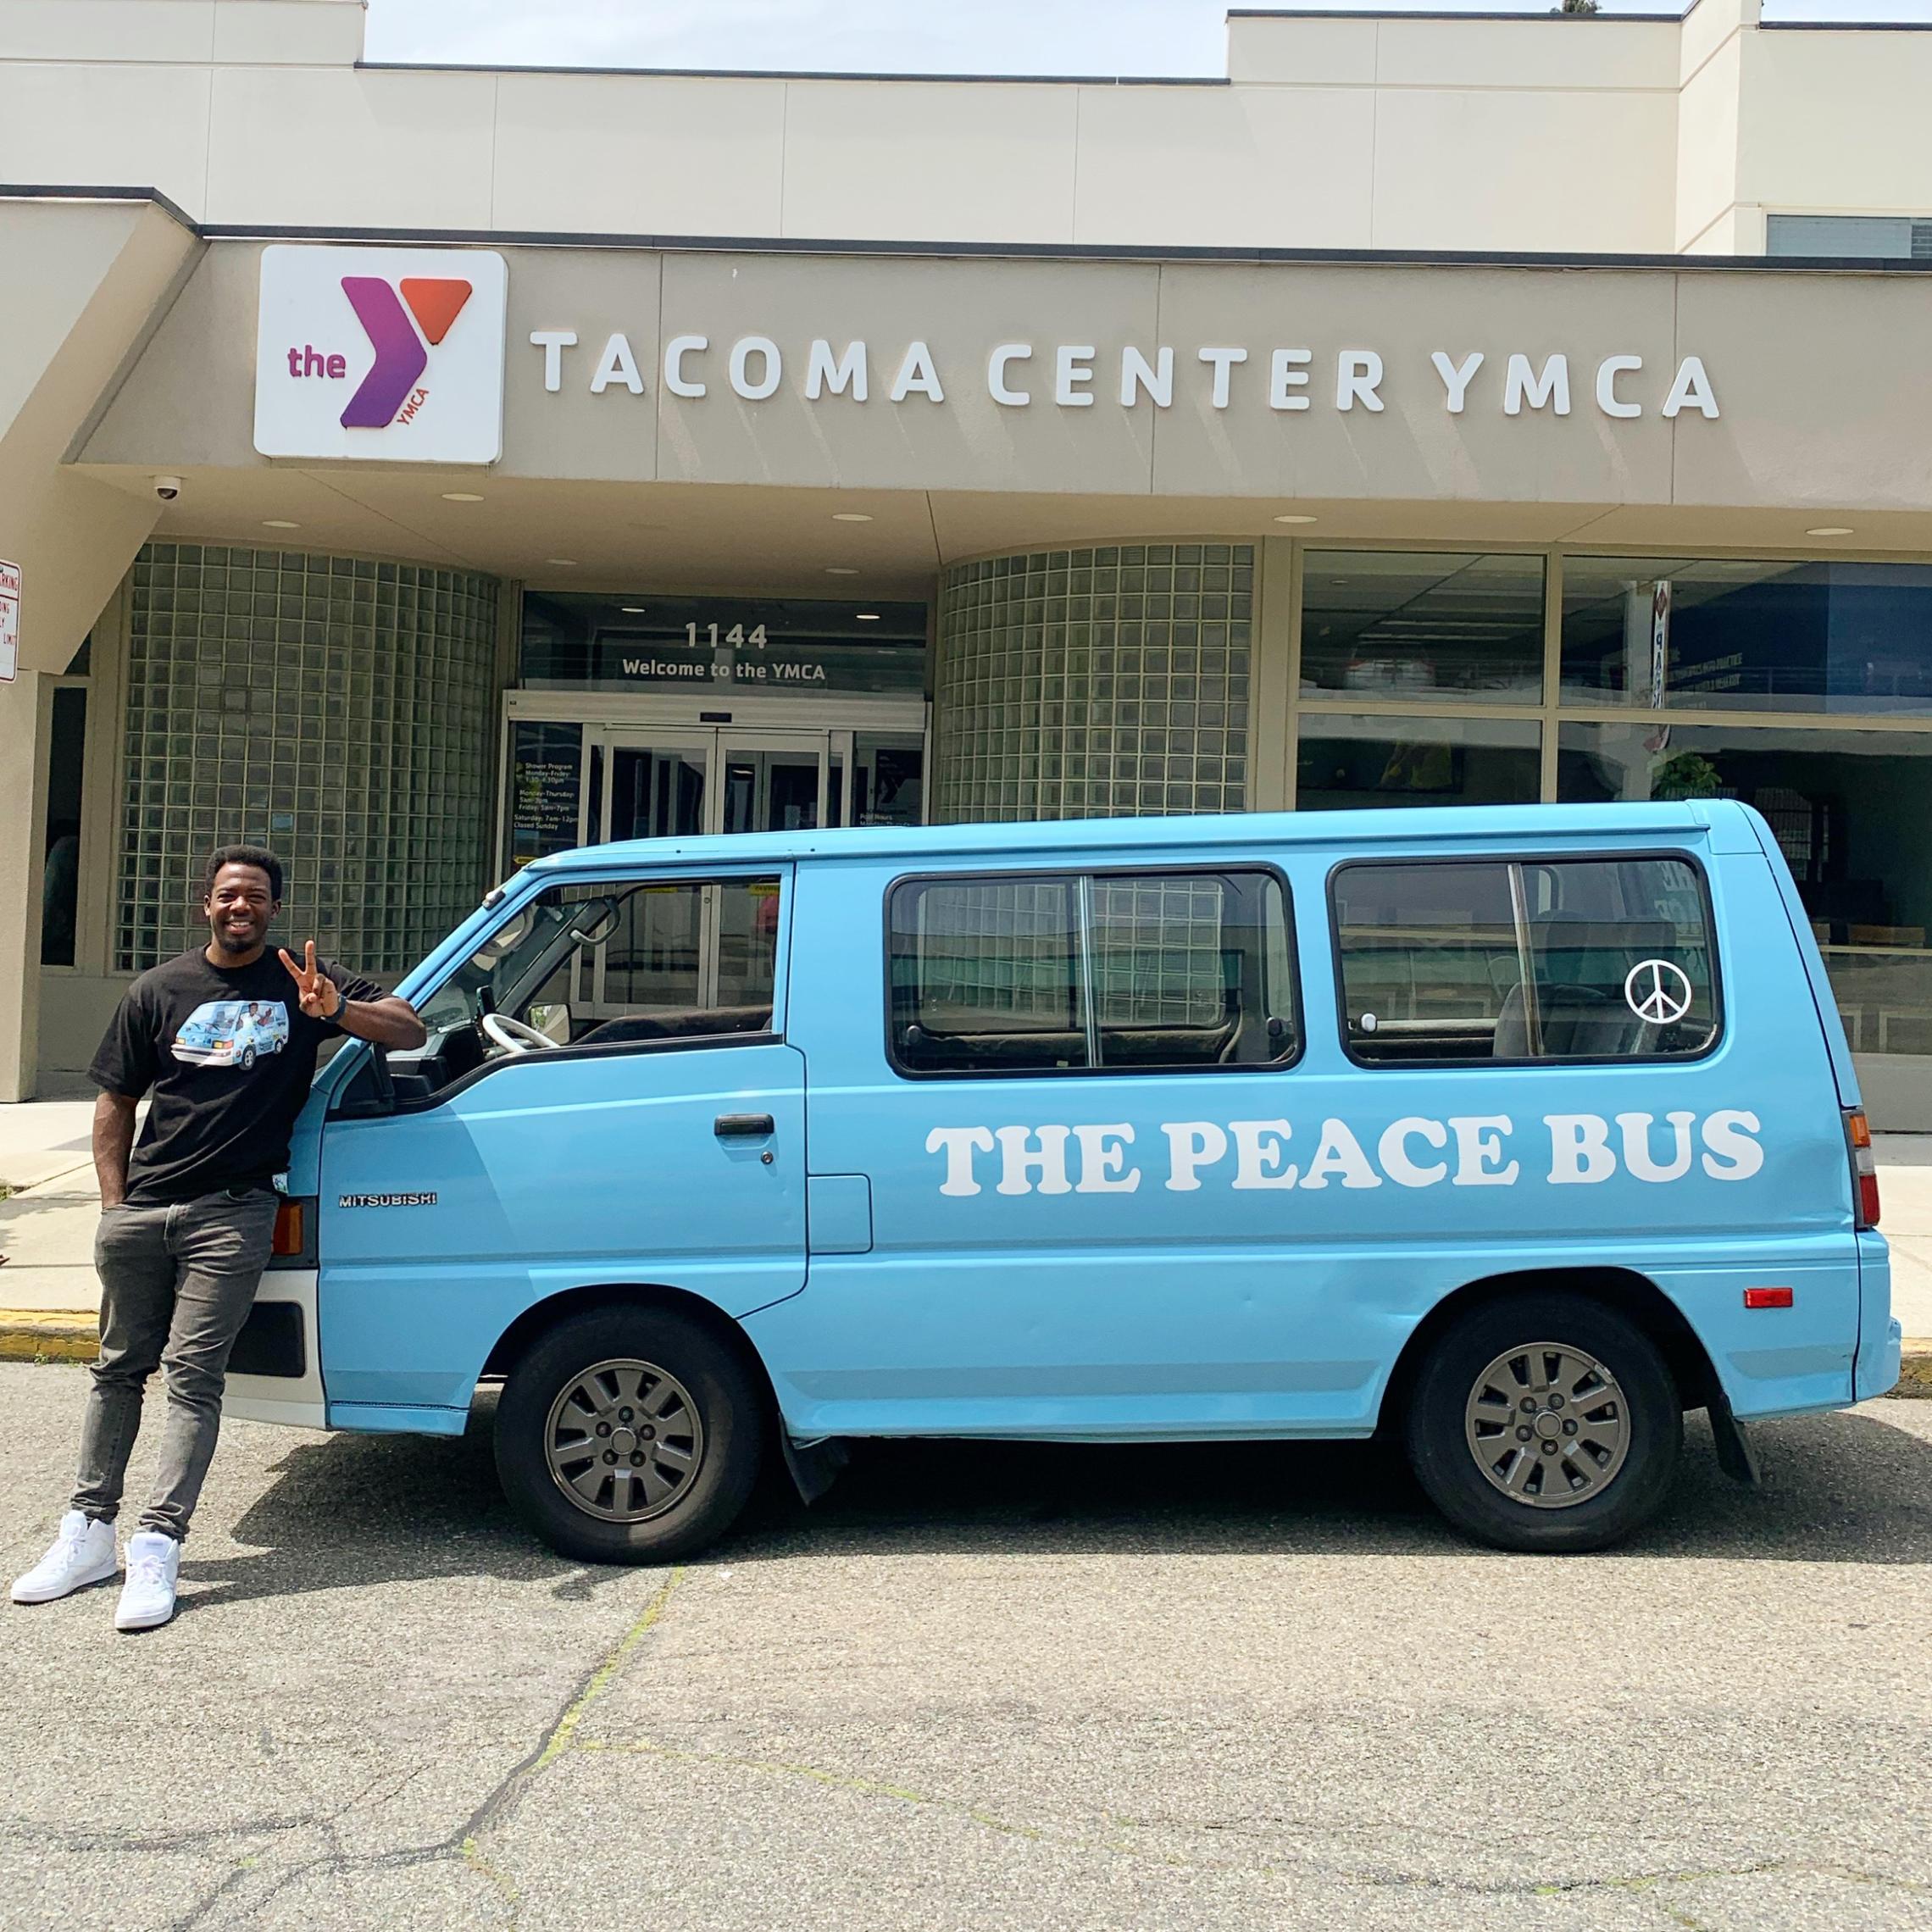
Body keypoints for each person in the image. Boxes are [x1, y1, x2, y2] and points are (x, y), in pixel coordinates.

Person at [9, 846, 426, 1631]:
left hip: (234, 1214)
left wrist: (333, 1012)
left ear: (274, 908)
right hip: (144, 1210)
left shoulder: (302, 983)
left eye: (258, 897)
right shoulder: (158, 989)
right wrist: (114, 1207)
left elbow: (407, 1030)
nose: (243, 907)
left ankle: (159, 1542)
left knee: (193, 1374)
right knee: (116, 1371)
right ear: (206, 903)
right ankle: (88, 1533)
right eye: (230, 895)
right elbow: (114, 1103)